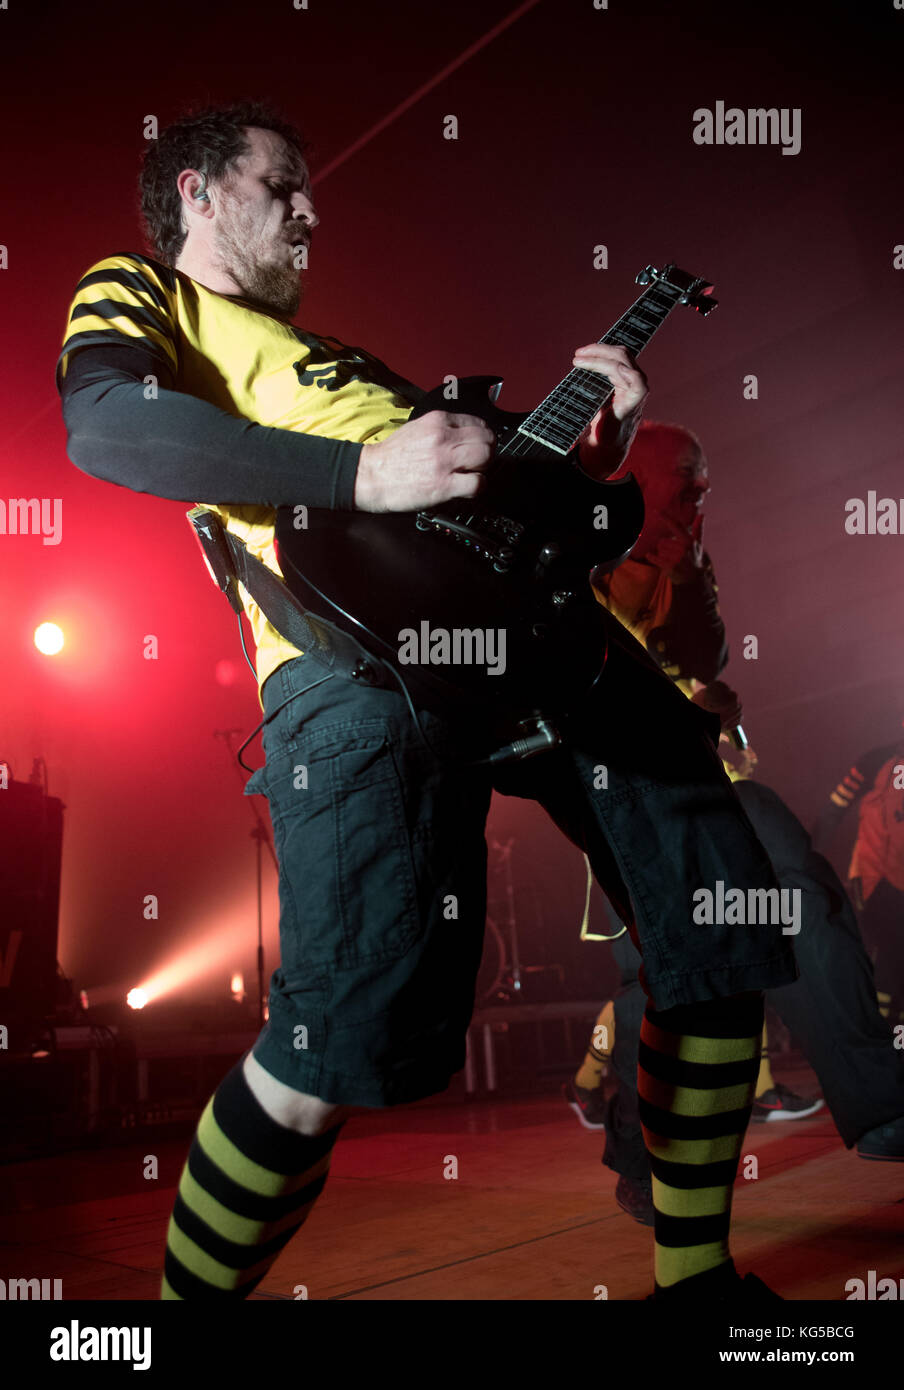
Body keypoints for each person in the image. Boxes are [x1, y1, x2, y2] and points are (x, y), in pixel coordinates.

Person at [56, 101, 799, 1302]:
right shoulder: (144, 294)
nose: (311, 209)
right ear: (195, 192)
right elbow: (103, 426)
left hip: (548, 633)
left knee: (718, 923)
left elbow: (500, 492)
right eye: (281, 184)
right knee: (341, 1030)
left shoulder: (354, 366)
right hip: (353, 663)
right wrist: (359, 470)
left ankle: (694, 1281)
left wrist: (589, 451)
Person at [568, 423, 904, 1224]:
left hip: (705, 777)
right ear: (633, 480)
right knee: (658, 977)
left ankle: (881, 1104)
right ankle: (641, 1163)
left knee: (800, 889)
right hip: (618, 787)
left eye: (705, 484)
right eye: (687, 481)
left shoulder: (682, 563)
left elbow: (707, 659)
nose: (701, 497)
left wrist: (691, 571)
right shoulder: (579, 552)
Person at [813, 729, 904, 1021]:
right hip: (875, 876)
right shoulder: (875, 762)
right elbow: (832, 812)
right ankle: (880, 1036)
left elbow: (831, 812)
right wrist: (809, 858)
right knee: (891, 952)